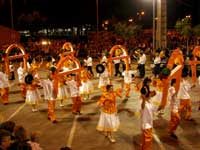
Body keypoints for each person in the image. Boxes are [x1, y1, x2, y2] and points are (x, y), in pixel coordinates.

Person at [140, 77, 156, 150]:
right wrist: (143, 99)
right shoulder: (144, 103)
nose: (150, 84)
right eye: (149, 82)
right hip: (146, 125)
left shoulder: (149, 103)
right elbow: (142, 107)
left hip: (148, 123)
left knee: (145, 139)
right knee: (148, 139)